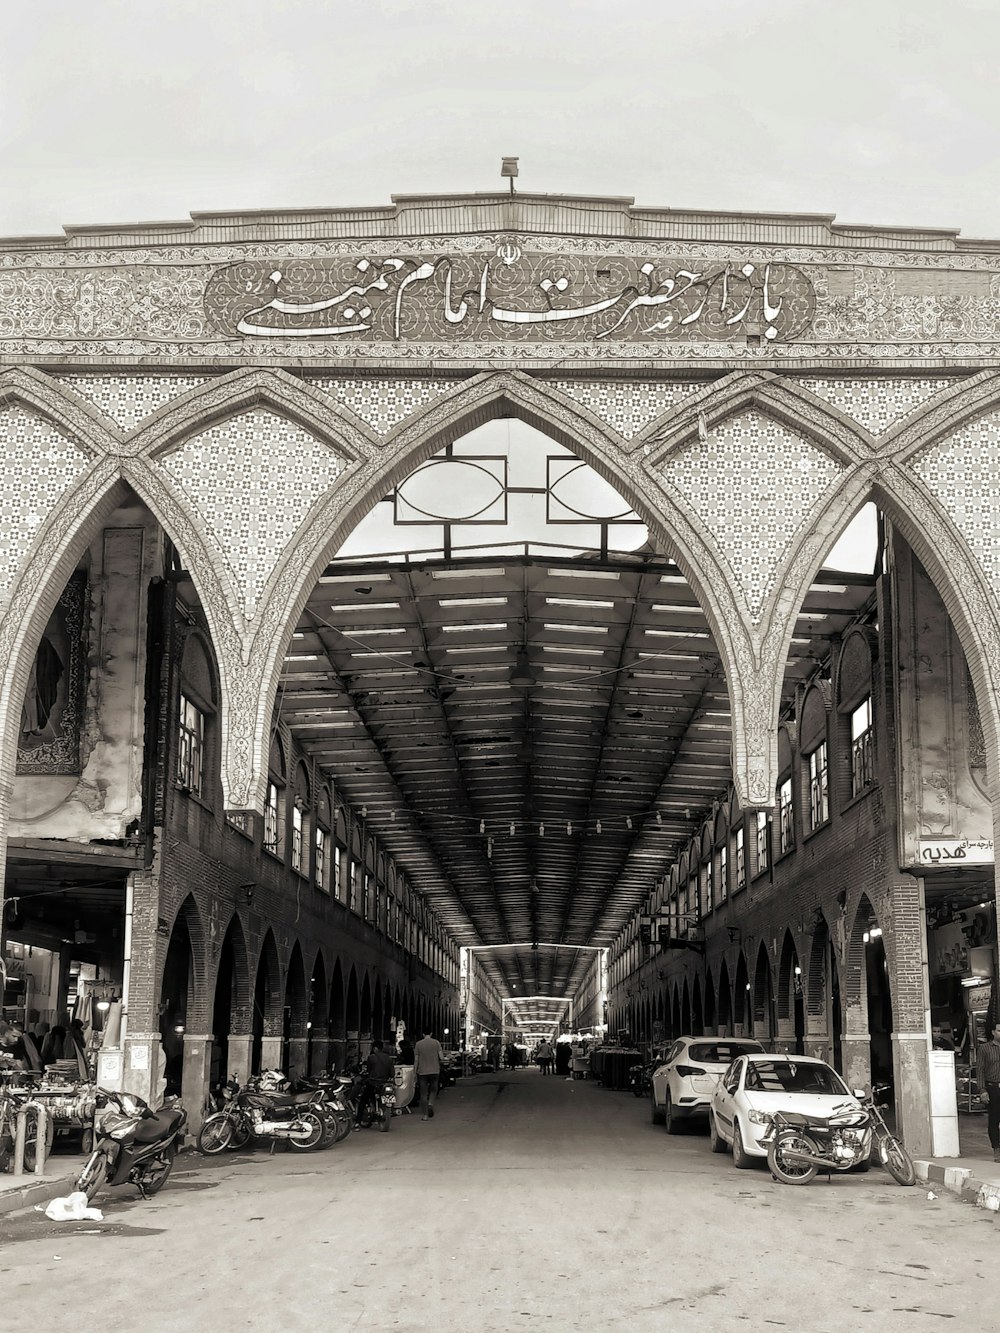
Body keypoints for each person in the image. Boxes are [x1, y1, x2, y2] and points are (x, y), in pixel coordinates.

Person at [978, 1024, 1000, 1162]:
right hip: (993, 1088)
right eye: (999, 1030)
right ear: (993, 1032)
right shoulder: (985, 1048)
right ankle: (997, 1150)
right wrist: (982, 1090)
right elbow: (980, 1070)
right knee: (994, 1120)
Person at [414, 1027, 444, 1121]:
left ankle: (425, 1115)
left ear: (423, 1034)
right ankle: (430, 1104)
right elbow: (442, 1057)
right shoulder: (436, 1043)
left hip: (422, 1072)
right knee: (434, 1090)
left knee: (423, 1094)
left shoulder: (418, 1044)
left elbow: (416, 1060)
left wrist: (415, 1072)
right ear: (431, 1033)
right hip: (435, 1071)